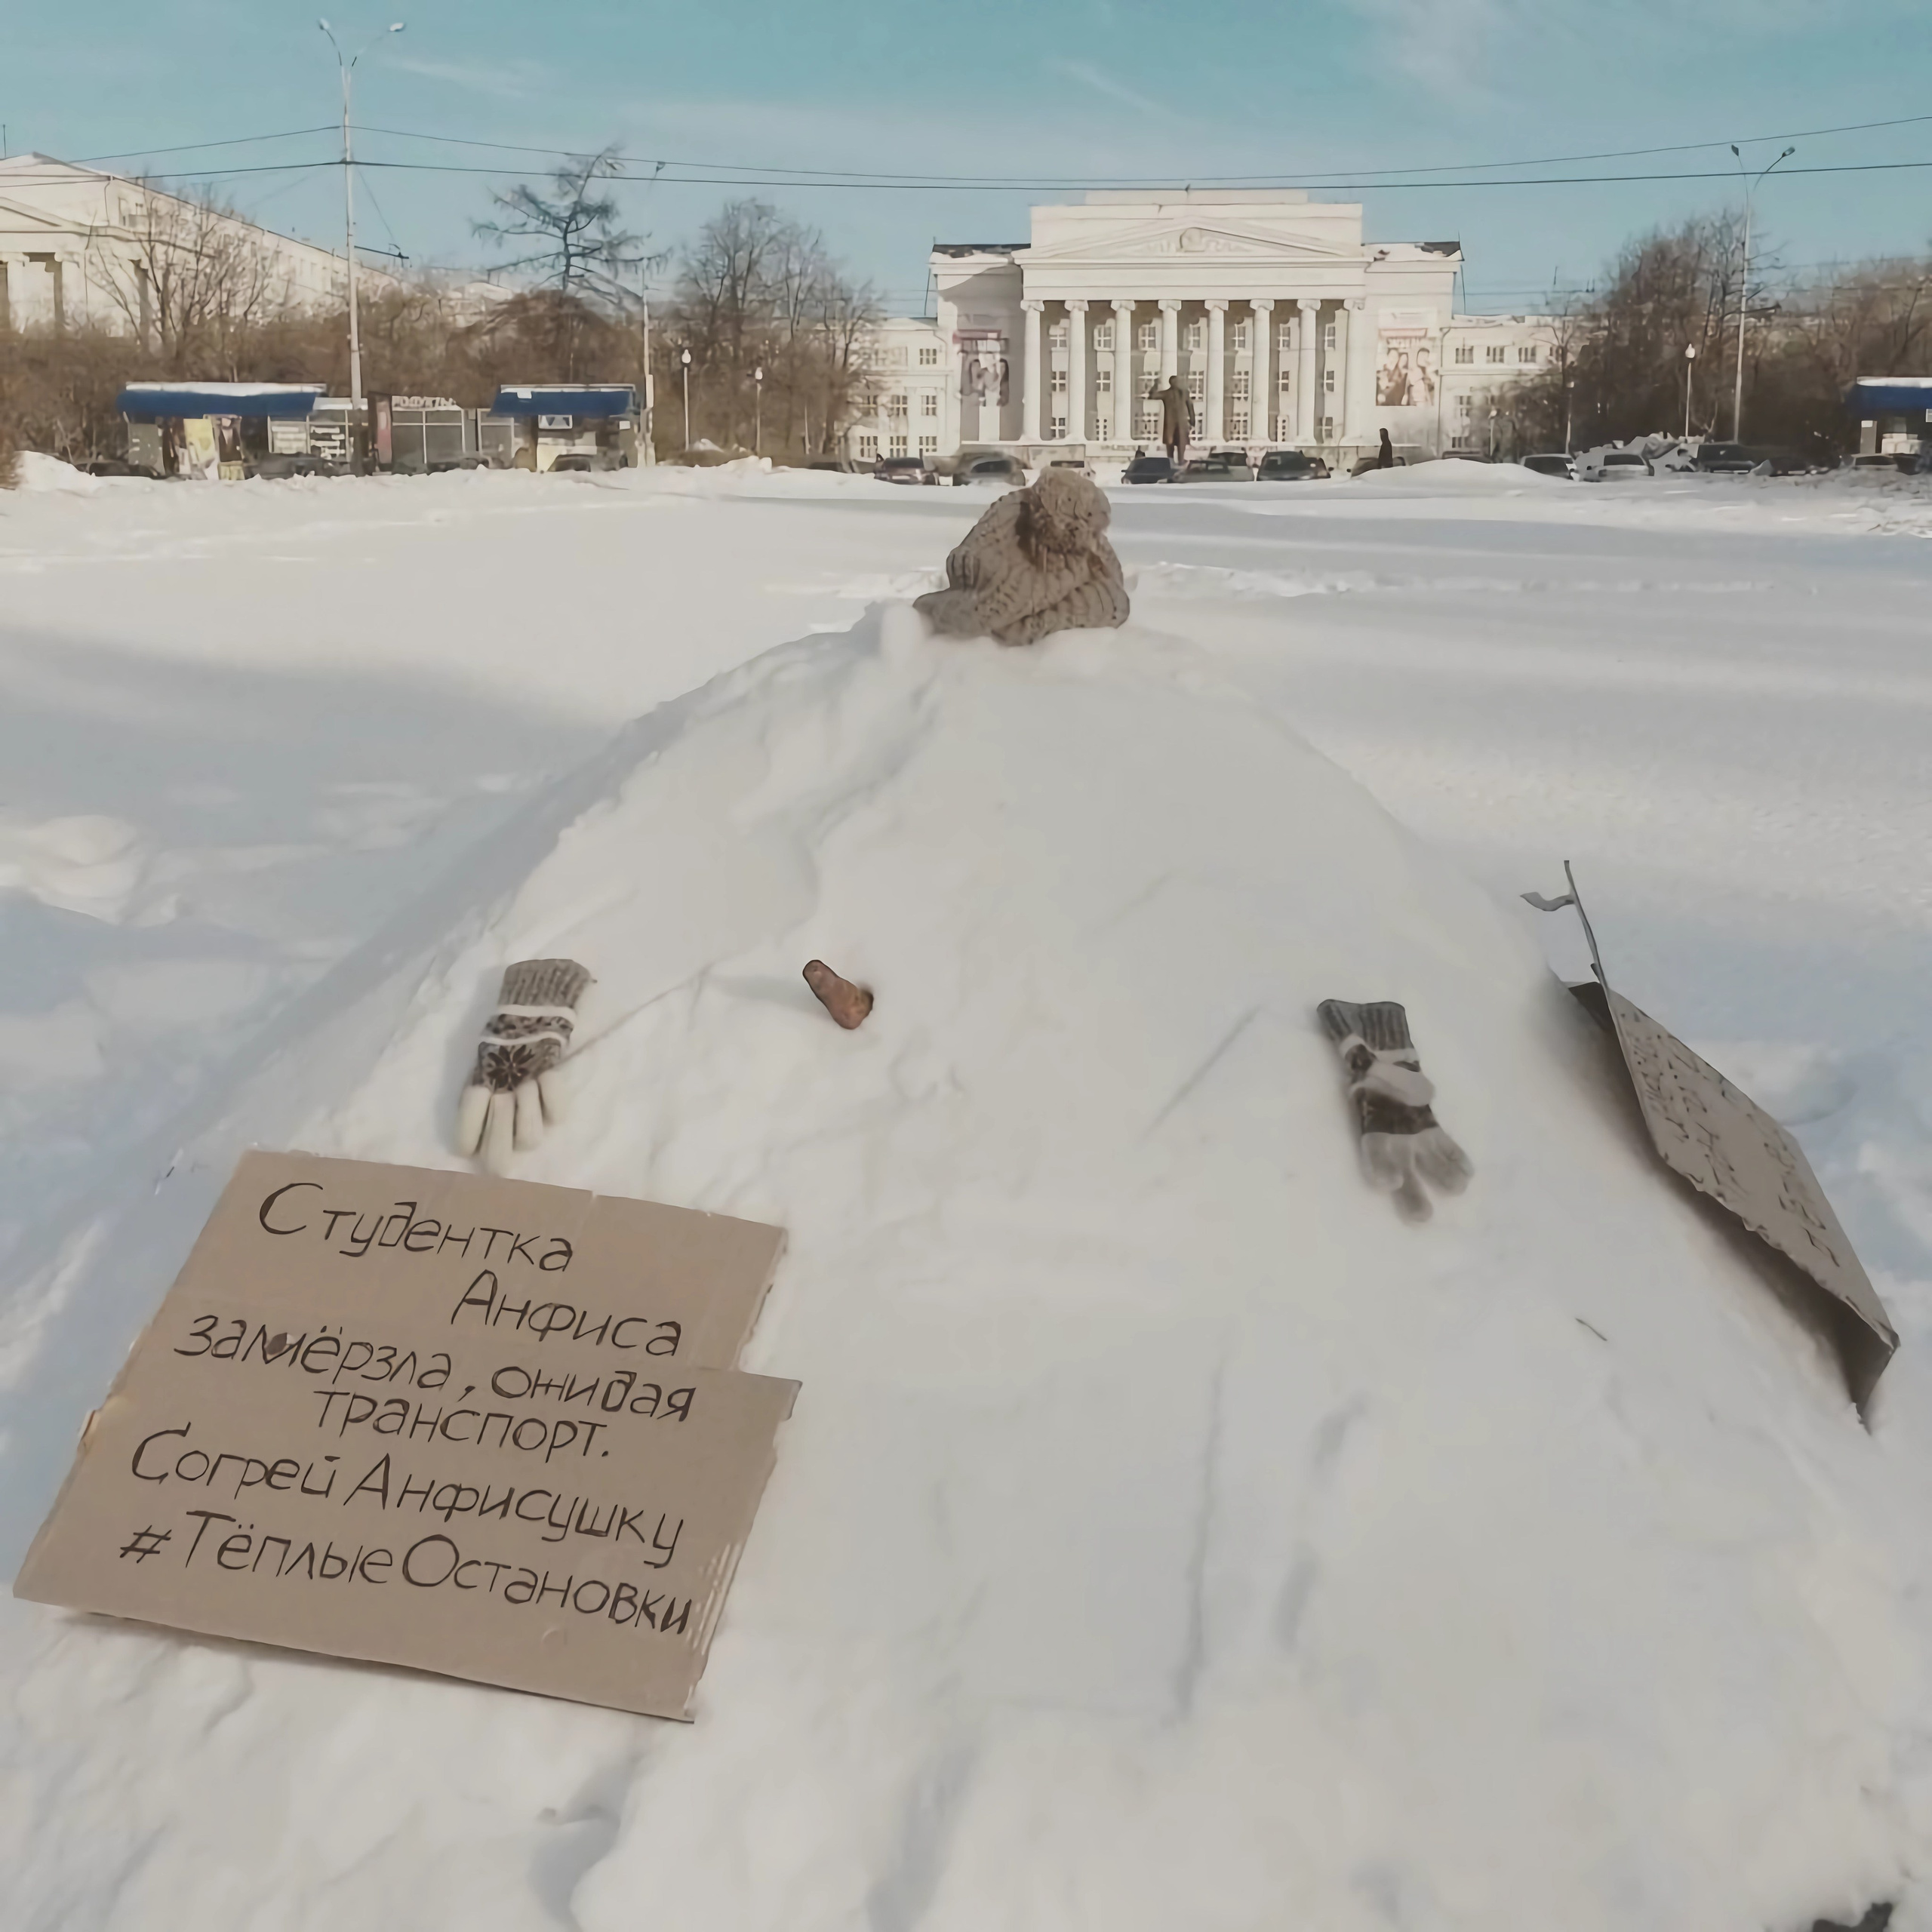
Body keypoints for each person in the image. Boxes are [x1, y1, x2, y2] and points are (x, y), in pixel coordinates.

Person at [1159, 374, 1193, 468]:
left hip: (1171, 424)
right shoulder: (1184, 393)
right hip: (1181, 424)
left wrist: (1156, 385)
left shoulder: (1167, 393)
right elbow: (1190, 408)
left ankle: (1171, 462)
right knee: (1180, 442)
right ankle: (1180, 461)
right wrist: (1192, 421)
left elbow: (1152, 395)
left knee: (1172, 443)